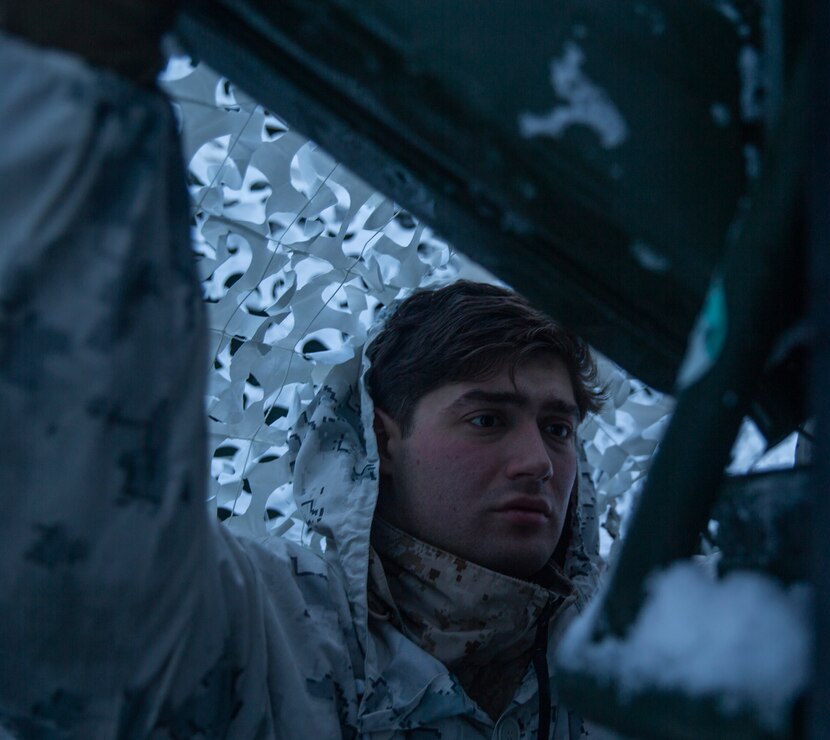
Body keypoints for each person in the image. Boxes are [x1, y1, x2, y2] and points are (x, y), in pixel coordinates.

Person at [0, 6, 606, 738]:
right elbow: (74, 584)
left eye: (559, 427)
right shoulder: (264, 629)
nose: (539, 463)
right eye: (487, 419)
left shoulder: (640, 663)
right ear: (384, 441)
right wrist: (69, 93)